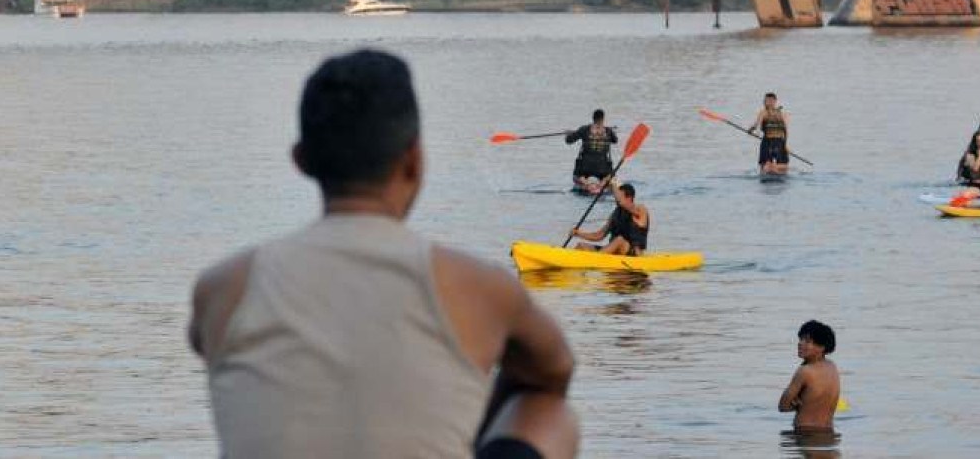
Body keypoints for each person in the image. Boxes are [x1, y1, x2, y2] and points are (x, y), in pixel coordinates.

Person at [190, 49, 578, 459]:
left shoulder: (222, 288)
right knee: (553, 415)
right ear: (414, 161)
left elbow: (210, 346)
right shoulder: (480, 286)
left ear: (301, 162)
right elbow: (555, 370)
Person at [778, 320, 840, 433]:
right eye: (800, 339)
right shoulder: (832, 366)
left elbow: (782, 406)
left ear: (822, 347)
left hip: (804, 432)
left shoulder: (804, 371)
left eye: (807, 341)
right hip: (829, 431)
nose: (800, 343)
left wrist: (795, 403)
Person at [569, 183, 649, 256]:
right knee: (581, 246)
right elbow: (599, 235)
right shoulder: (615, 214)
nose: (616, 199)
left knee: (619, 240)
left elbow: (621, 202)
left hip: (632, 253)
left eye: (619, 196)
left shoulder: (639, 209)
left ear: (629, 198)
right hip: (613, 251)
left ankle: (596, 259)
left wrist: (613, 184)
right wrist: (579, 233)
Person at [564, 109, 618, 194]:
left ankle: (586, 183)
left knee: (577, 176)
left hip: (585, 167)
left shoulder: (584, 129)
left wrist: (568, 134)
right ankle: (603, 183)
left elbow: (569, 140)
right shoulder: (608, 131)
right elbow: (615, 140)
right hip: (603, 168)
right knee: (610, 176)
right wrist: (613, 132)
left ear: (593, 118)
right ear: (603, 119)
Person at [751, 93, 789, 175]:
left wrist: (751, 130)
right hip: (780, 141)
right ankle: (774, 168)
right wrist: (785, 145)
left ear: (774, 101)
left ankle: (771, 167)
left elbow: (757, 125)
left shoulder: (764, 112)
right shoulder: (782, 114)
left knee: (763, 167)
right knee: (783, 167)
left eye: (767, 100)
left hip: (769, 142)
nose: (765, 102)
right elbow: (785, 131)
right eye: (765, 100)